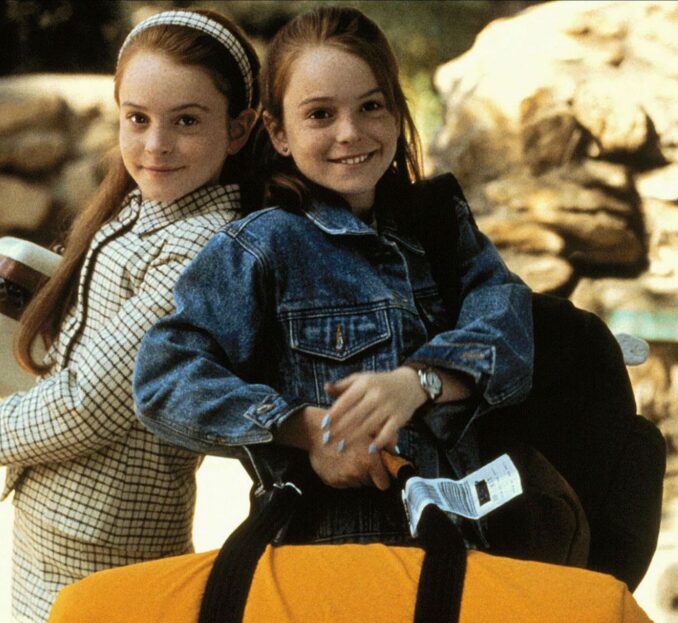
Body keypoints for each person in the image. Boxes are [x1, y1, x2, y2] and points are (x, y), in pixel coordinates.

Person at [133, 6, 534, 546]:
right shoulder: (262, 246)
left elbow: (511, 325)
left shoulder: (439, 226)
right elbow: (164, 379)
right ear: (278, 132)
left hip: (468, 547)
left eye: (371, 106)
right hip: (327, 559)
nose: (350, 133)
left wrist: (419, 382)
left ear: (396, 113)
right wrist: (307, 430)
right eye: (320, 114)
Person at [0, 9, 260, 623]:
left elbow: (91, 402)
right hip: (62, 538)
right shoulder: (140, 213)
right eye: (138, 119)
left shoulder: (200, 247)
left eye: (187, 121)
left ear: (239, 129)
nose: (156, 144)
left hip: (108, 550)